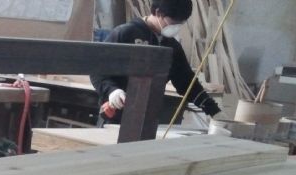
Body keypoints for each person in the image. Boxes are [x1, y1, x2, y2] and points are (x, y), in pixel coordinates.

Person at [91, 0, 221, 124]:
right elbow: (97, 69)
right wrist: (112, 91)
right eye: (173, 22)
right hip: (115, 116)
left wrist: (213, 110)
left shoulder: (172, 47)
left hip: (148, 119)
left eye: (181, 23)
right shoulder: (125, 34)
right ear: (158, 13)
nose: (176, 27)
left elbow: (186, 82)